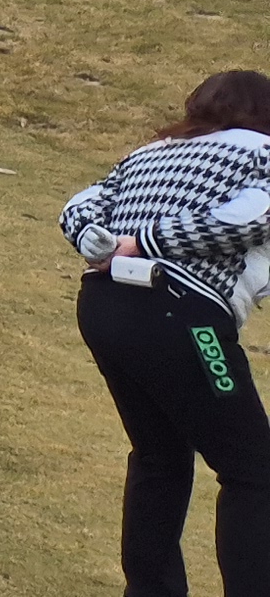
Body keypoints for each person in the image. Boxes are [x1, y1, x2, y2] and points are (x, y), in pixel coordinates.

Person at [66, 69, 270, 594]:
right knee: (254, 471)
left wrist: (101, 241)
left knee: (159, 456)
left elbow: (79, 206)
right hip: (181, 313)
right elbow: (247, 222)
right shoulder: (262, 151)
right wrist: (147, 243)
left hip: (103, 306)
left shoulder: (147, 153)